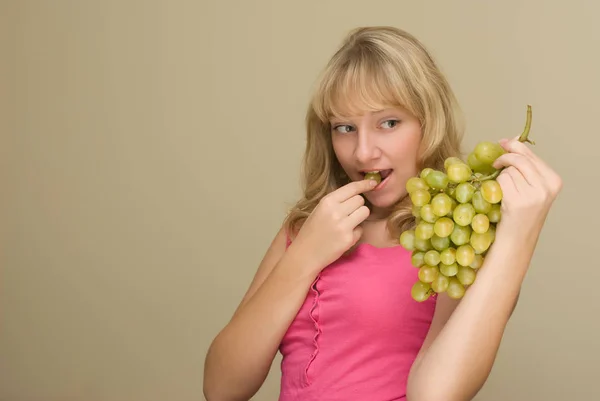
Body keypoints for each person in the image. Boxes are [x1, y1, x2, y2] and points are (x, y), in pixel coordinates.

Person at [202, 26, 563, 401]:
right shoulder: (308, 227)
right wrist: (305, 255)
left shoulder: (455, 233)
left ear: (429, 121)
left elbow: (434, 395)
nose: (362, 153)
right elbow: (221, 388)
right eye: (344, 127)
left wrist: (520, 236)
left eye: (388, 123)